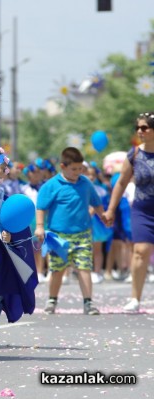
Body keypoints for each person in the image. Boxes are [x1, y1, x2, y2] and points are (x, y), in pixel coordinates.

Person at [35, 147, 105, 316]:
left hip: (82, 233)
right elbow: (41, 207)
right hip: (58, 235)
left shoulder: (86, 183)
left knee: (84, 267)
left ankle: (88, 302)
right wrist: (39, 226)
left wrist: (104, 216)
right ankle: (52, 299)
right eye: (74, 169)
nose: (78, 172)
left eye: (80, 169)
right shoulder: (51, 185)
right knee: (57, 269)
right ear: (63, 166)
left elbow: (96, 203)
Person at [104, 112, 154, 312]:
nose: (140, 131)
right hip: (142, 210)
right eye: (138, 128)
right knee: (140, 251)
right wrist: (110, 210)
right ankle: (135, 298)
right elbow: (121, 183)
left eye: (145, 127)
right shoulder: (133, 155)